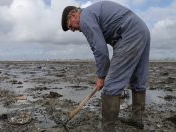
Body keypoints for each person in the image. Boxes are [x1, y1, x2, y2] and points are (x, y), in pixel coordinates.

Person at [61, 1, 150, 131]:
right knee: (138, 78)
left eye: (71, 27)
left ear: (74, 15)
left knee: (111, 86)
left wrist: (102, 76)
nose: (74, 30)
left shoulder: (85, 18)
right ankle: (137, 119)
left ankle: (107, 128)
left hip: (129, 33)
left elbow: (100, 49)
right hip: (142, 30)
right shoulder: (92, 13)